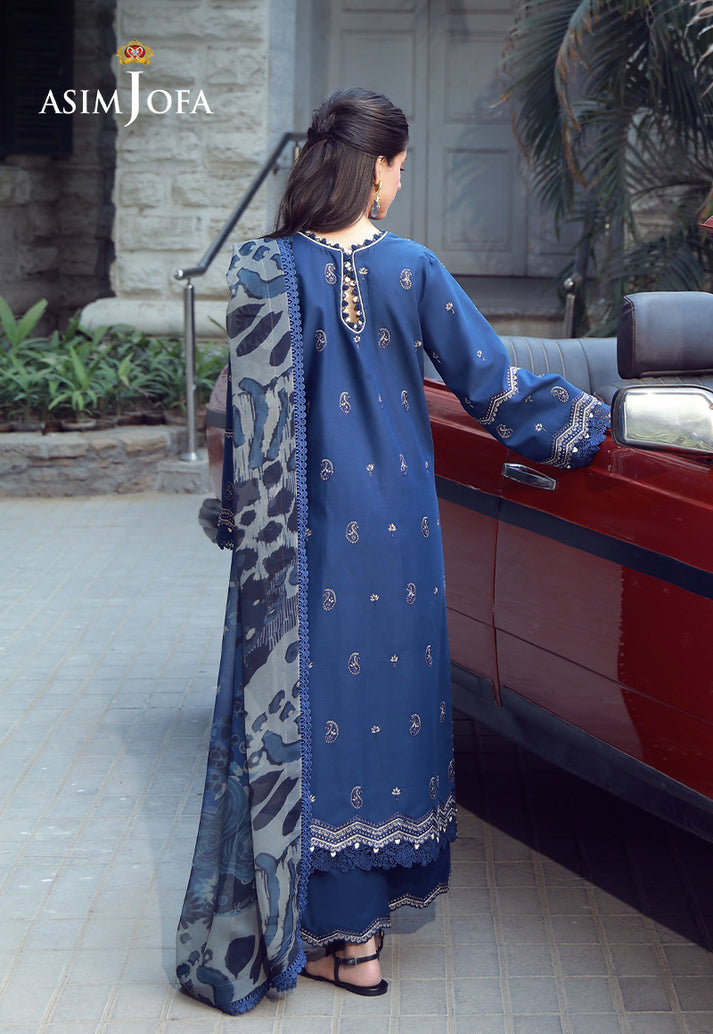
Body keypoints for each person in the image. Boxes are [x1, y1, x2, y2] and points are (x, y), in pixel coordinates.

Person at [175, 88, 609, 1015]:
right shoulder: (411, 268)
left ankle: (329, 936)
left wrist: (234, 520)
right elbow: (496, 389)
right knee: (389, 712)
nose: (399, 183)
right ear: (374, 168)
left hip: (298, 542)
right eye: (399, 168)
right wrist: (589, 429)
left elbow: (237, 423)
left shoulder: (261, 270)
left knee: (312, 712)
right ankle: (361, 946)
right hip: (400, 537)